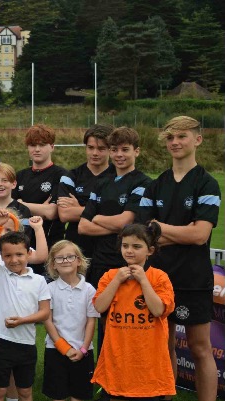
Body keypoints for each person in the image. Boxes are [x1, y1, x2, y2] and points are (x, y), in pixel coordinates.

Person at [135, 116, 220, 401]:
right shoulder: (155, 185)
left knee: (199, 348)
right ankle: (166, 397)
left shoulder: (207, 184)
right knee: (163, 345)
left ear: (198, 140)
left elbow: (200, 235)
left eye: (182, 136)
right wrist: (177, 232)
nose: (175, 142)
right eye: (170, 137)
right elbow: (144, 236)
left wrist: (159, 228)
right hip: (158, 277)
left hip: (193, 278)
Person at [92, 223, 175, 399]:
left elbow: (158, 310)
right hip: (117, 362)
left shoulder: (159, 277)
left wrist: (143, 280)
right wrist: (116, 281)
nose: (129, 251)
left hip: (149, 366)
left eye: (136, 246)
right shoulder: (110, 276)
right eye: (125, 246)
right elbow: (99, 307)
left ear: (150, 251)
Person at [0, 208, 47, 401]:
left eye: (19, 255)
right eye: (7, 256)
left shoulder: (39, 280)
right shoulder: (0, 273)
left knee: (25, 391)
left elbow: (45, 313)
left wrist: (22, 320)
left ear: (28, 254)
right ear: (2, 256)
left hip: (26, 343)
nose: (14, 260)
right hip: (0, 341)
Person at [79, 127, 151, 289]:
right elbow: (83, 226)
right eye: (114, 150)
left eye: (125, 150)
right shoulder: (101, 183)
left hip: (127, 264)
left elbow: (125, 221)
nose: (119, 154)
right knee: (100, 305)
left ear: (136, 151)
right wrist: (118, 226)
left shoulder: (143, 183)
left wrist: (97, 218)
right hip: (99, 262)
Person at [42, 240, 98, 401]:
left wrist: (83, 349)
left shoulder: (89, 290)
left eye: (70, 257)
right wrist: (63, 347)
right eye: (60, 258)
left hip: (83, 351)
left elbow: (91, 322)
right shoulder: (49, 289)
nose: (65, 260)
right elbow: (47, 321)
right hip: (55, 350)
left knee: (79, 396)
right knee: (58, 395)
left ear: (79, 260)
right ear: (53, 264)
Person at [13, 125, 67, 274]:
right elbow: (11, 210)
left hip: (50, 246)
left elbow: (51, 212)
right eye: (32, 145)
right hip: (22, 247)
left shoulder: (61, 175)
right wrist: (40, 208)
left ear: (52, 147)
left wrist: (22, 204)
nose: (37, 149)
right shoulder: (20, 176)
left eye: (42, 145)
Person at [56, 124, 114, 256]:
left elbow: (124, 216)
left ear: (110, 149)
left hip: (109, 250)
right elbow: (65, 215)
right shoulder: (70, 177)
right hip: (77, 249)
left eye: (101, 148)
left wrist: (80, 208)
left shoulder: (118, 177)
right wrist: (108, 213)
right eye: (90, 147)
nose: (95, 153)